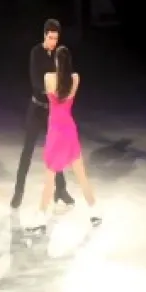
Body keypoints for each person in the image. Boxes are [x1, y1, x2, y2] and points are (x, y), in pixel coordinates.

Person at [31, 45, 101, 229]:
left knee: (50, 177)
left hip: (55, 131)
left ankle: (40, 216)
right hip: (69, 130)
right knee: (81, 174)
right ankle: (94, 211)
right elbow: (67, 89)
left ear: (56, 61)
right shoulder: (75, 79)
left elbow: (49, 93)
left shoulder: (48, 78)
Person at [11, 19, 74, 209]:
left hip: (52, 111)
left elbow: (66, 76)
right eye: (50, 37)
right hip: (37, 109)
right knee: (27, 151)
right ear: (44, 35)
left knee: (56, 150)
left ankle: (60, 189)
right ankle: (18, 191)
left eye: (56, 38)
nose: (53, 41)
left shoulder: (59, 54)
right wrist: (51, 91)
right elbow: (36, 81)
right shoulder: (36, 53)